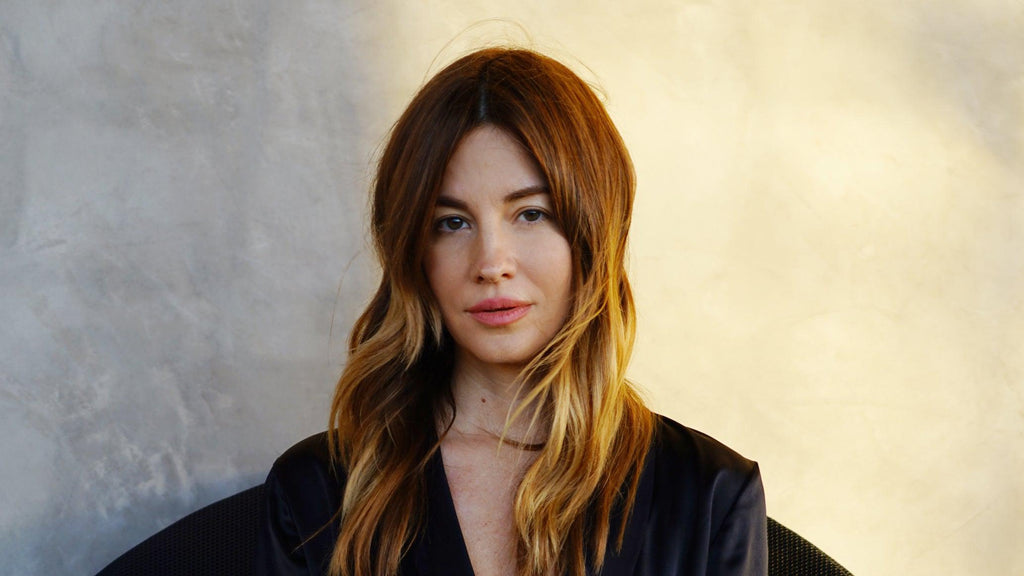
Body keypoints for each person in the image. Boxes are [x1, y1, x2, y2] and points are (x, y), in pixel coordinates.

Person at [257, 47, 767, 576]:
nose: (491, 264)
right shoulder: (316, 491)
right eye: (452, 223)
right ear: (414, 253)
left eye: (531, 213)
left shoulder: (711, 495)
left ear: (594, 231)